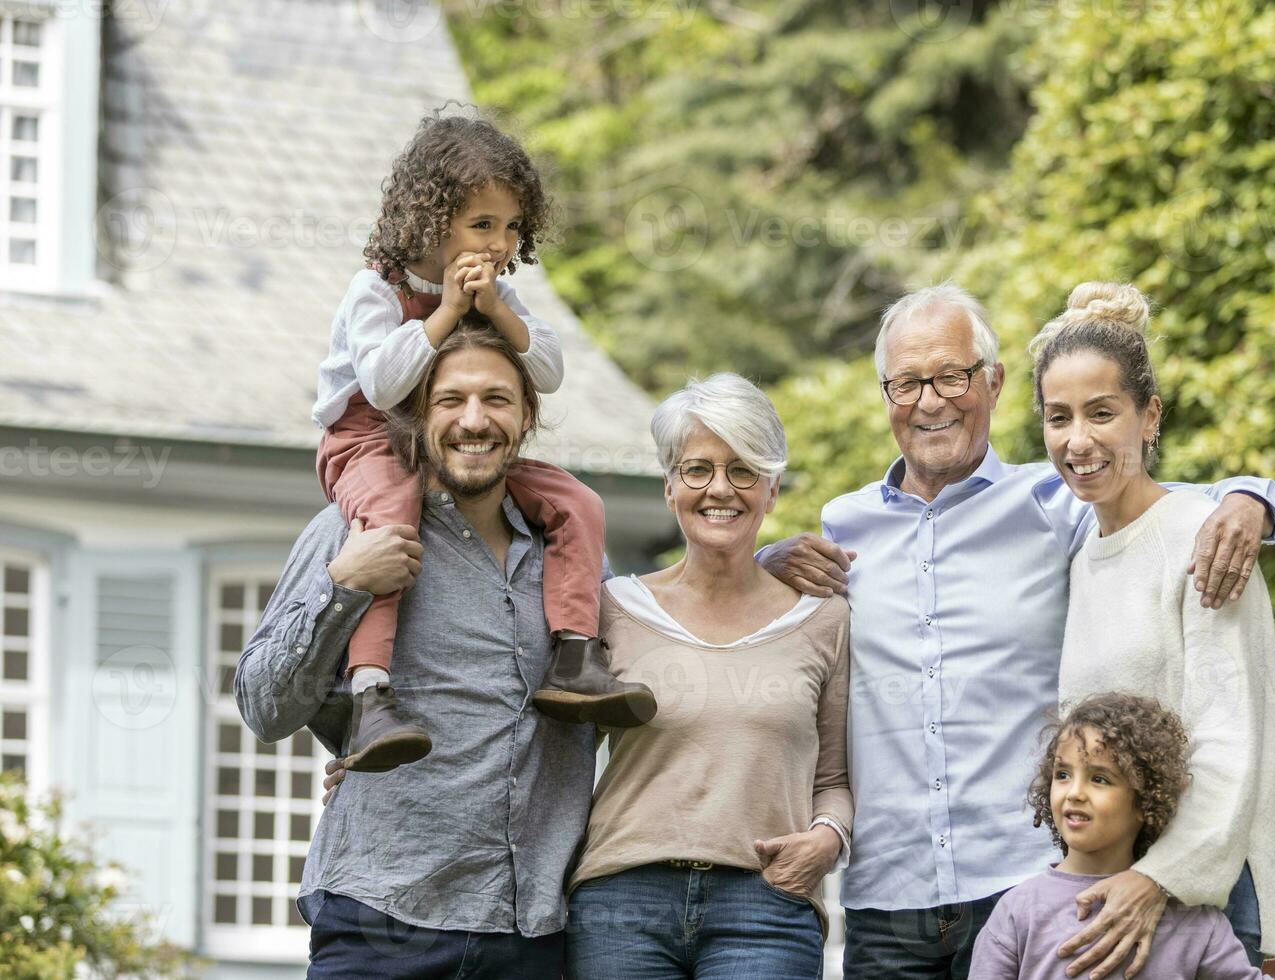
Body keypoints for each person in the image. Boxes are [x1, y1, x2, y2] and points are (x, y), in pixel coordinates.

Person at [757, 282, 1275, 979]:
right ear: (885, 394)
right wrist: (764, 560)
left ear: (994, 382)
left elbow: (1155, 508)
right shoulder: (841, 529)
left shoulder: (1057, 504)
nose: (931, 399)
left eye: (952, 375)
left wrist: (1251, 496)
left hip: (1031, 879)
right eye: (907, 382)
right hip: (887, 897)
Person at [237, 326, 595, 978]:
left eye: (496, 399)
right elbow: (265, 708)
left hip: (531, 933)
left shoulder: (570, 562)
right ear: (416, 415)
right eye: (450, 400)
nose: (474, 420)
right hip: (380, 915)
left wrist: (770, 564)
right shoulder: (352, 532)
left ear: (527, 415)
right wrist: (342, 588)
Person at [312, 109, 652, 772]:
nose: (499, 243)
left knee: (576, 500)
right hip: (368, 442)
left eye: (511, 227)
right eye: (482, 225)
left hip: (464, 444)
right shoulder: (376, 290)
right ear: (432, 219)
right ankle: (371, 694)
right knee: (390, 521)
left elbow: (548, 371)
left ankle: (575, 653)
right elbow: (382, 387)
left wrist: (495, 309)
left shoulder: (495, 293)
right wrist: (445, 313)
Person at [1032, 282, 1275, 971]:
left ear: (1150, 417)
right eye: (1058, 418)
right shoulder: (1083, 554)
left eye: (1102, 413)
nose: (1077, 441)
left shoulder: (1203, 538)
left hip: (1206, 893)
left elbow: (1232, 740)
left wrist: (1159, 877)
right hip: (1118, 890)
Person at [564, 374, 852, 980]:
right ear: (670, 488)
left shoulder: (823, 619)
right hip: (622, 903)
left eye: (743, 470)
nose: (719, 488)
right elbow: (550, 754)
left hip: (766, 905)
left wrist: (828, 840)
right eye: (697, 469)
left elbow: (834, 778)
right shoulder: (612, 607)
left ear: (771, 490)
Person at [969, 694, 1267, 979]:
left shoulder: (1195, 922)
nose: (1074, 792)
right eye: (1062, 774)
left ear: (1144, 801)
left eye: (1099, 779)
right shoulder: (1018, 910)